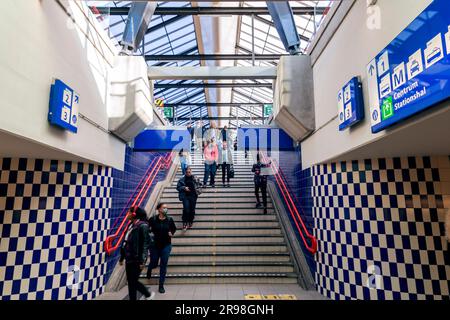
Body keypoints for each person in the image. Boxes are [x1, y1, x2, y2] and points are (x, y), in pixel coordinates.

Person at [119, 206, 155, 300]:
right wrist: (122, 257)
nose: (127, 214)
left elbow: (145, 244)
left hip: (137, 258)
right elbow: (126, 241)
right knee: (131, 282)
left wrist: (142, 260)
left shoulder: (143, 226)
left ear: (134, 214)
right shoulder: (131, 225)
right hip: (129, 257)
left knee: (133, 281)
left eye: (129, 212)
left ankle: (148, 294)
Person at [146, 203, 177, 294]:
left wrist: (171, 232)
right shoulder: (153, 219)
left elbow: (173, 229)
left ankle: (161, 285)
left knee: (163, 265)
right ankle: (150, 268)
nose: (165, 209)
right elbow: (147, 229)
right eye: (164, 208)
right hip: (154, 246)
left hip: (166, 245)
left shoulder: (169, 219)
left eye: (166, 208)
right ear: (159, 209)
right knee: (154, 263)